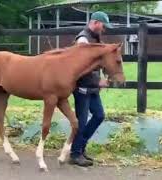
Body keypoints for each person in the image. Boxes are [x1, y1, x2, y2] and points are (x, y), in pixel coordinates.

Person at [69, 11, 113, 167]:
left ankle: (80, 146)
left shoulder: (95, 38)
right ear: (95, 23)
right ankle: (75, 154)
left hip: (92, 88)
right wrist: (98, 81)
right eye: (103, 26)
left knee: (99, 115)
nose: (104, 29)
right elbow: (81, 67)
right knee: (81, 121)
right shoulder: (83, 40)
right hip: (82, 87)